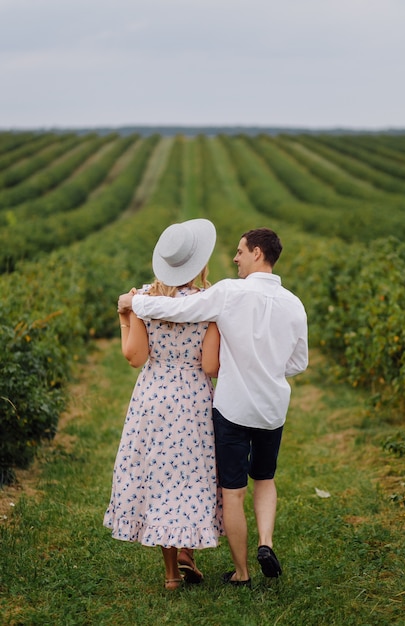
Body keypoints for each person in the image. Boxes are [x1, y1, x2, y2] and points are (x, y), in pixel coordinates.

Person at [118, 227, 308, 588]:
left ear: (256, 253)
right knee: (264, 479)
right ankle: (264, 543)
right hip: (266, 408)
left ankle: (240, 572)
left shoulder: (227, 293)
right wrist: (264, 365)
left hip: (219, 405)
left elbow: (173, 314)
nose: (234, 258)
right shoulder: (294, 303)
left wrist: (132, 304)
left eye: (239, 251)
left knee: (229, 491)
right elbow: (296, 362)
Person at [104, 218, 224, 591]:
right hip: (192, 397)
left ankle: (172, 573)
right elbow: (210, 365)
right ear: (200, 264)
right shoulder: (209, 303)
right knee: (190, 475)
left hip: (154, 395)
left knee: (158, 474)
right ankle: (189, 550)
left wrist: (126, 318)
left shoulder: (143, 300)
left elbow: (135, 357)